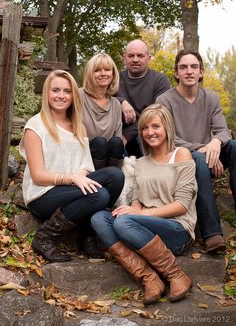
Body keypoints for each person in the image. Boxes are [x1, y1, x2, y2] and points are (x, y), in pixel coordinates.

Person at [91, 104, 197, 306]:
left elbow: (182, 205)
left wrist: (138, 215)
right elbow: (138, 199)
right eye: (145, 128)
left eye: (156, 126)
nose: (150, 132)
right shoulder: (140, 162)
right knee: (99, 218)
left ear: (167, 127)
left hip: (177, 229)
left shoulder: (181, 155)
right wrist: (133, 209)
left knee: (124, 223)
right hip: (143, 227)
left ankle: (176, 275)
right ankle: (150, 279)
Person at [19, 70, 124, 263]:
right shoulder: (35, 126)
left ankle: (85, 234)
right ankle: (45, 237)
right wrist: (71, 178)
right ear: (47, 94)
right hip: (43, 194)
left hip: (71, 189)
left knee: (115, 176)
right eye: (55, 90)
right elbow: (38, 175)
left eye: (67, 91)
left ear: (73, 95)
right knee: (99, 194)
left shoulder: (78, 126)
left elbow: (85, 164)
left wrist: (80, 173)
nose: (61, 95)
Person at [156, 49, 236, 252]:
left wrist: (215, 144)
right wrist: (203, 150)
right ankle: (212, 234)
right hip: (179, 160)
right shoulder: (164, 101)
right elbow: (169, 138)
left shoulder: (211, 97)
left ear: (201, 72)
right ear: (176, 73)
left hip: (208, 154)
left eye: (194, 67)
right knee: (198, 160)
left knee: (234, 147)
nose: (189, 71)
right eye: (183, 67)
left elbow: (223, 131)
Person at [116, 39, 171, 157]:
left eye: (140, 55)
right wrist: (121, 101)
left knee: (142, 137)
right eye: (131, 56)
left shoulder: (160, 81)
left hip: (147, 133)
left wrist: (126, 135)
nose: (135, 59)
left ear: (149, 58)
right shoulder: (115, 79)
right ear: (124, 58)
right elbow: (102, 99)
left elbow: (157, 115)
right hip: (118, 135)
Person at [80, 53, 124, 170]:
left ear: (113, 74)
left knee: (116, 142)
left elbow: (117, 138)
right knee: (100, 143)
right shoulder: (78, 96)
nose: (103, 74)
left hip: (109, 161)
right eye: (97, 70)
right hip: (82, 159)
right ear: (90, 74)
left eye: (107, 70)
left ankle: (110, 176)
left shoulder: (115, 104)